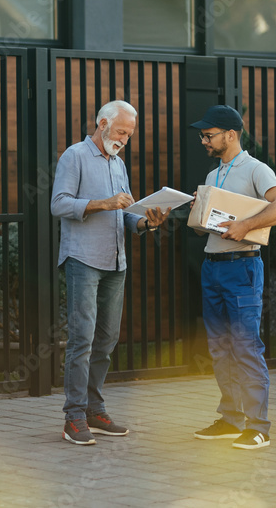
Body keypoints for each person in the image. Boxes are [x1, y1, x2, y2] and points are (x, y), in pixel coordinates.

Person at [51, 100, 170, 445]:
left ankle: (94, 410)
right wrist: (103, 203)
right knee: (82, 339)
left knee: (106, 341)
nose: (125, 138)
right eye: (121, 131)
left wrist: (147, 222)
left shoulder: (118, 163)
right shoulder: (74, 156)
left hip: (116, 262)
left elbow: (125, 214)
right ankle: (73, 417)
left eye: (129, 134)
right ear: (102, 123)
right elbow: (58, 204)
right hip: (83, 260)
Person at [189, 105, 276, 450]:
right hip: (212, 264)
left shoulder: (255, 169)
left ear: (230, 135)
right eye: (203, 135)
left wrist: (246, 225)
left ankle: (258, 426)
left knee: (245, 345)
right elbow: (216, 223)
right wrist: (197, 210)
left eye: (209, 135)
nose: (203, 140)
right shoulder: (214, 173)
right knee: (220, 347)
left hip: (242, 267)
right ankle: (231, 420)